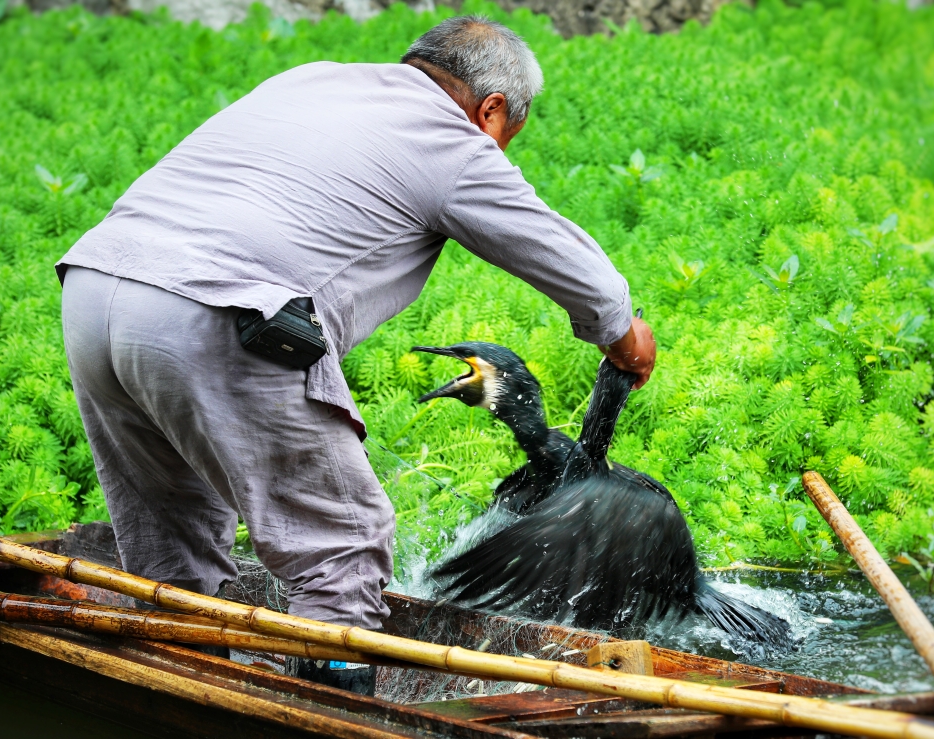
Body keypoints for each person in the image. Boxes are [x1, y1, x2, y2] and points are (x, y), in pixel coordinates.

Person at [56, 15, 656, 695]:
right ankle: (326, 708)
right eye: (506, 137)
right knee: (339, 546)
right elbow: (578, 271)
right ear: (490, 110)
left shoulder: (312, 80)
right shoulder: (451, 141)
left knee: (171, 544)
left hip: (96, 288)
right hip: (218, 313)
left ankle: (170, 696)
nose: (500, 152)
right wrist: (623, 335)